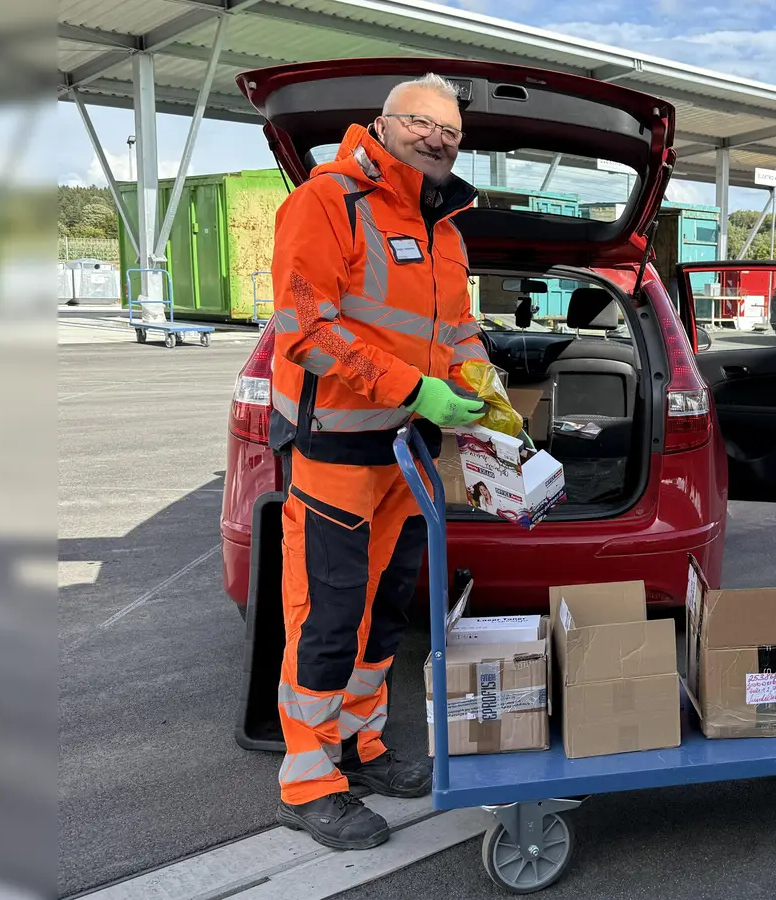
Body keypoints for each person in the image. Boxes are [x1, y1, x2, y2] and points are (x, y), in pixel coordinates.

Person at [267, 73, 490, 850]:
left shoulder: (447, 226)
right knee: (327, 613)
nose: (440, 140)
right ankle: (308, 776)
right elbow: (306, 329)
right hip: (336, 444)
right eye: (425, 124)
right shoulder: (328, 201)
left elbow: (457, 331)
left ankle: (362, 749)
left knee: (388, 610)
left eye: (453, 133)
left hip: (409, 450)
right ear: (385, 123)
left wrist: (476, 387)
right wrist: (413, 387)